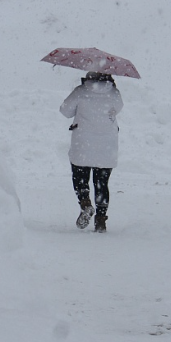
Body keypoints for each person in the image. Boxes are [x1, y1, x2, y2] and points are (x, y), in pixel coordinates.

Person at [59, 71, 123, 232]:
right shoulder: (114, 93)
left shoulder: (81, 91)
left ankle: (85, 203)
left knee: (80, 178)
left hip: (83, 144)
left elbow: (65, 111)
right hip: (106, 145)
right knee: (102, 183)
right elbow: (118, 109)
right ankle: (101, 220)